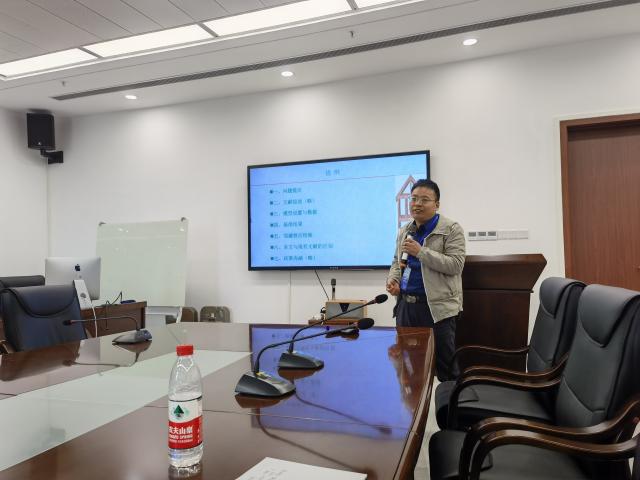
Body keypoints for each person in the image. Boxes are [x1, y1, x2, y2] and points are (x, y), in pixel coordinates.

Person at [386, 179, 465, 381]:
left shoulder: (451, 229)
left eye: (424, 200)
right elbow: (397, 261)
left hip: (437, 310)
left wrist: (421, 252)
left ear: (436, 204)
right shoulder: (405, 231)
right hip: (406, 308)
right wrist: (394, 280)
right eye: (413, 199)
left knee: (446, 369)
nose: (417, 204)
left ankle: (450, 402)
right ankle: (414, 401)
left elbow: (456, 265)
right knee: (409, 368)